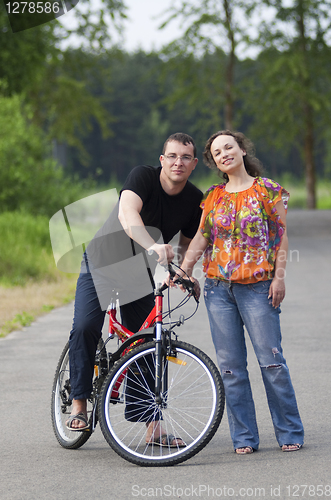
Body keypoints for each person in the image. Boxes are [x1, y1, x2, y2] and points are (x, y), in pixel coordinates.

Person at [66, 132, 202, 448]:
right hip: (102, 260)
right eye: (172, 156)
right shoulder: (142, 176)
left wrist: (183, 273)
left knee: (147, 339)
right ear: (162, 160)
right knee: (86, 326)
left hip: (140, 272)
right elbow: (129, 216)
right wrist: (154, 246)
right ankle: (79, 402)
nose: (177, 162)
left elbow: (187, 243)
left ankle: (153, 425)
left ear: (194, 164)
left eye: (185, 157)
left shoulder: (194, 200)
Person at [176, 129, 304, 454]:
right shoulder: (213, 196)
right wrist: (185, 268)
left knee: (272, 363)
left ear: (242, 150)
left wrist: (280, 277)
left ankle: (289, 431)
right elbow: (203, 236)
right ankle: (244, 437)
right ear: (215, 162)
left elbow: (282, 236)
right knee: (231, 368)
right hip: (218, 291)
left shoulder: (267, 190)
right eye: (217, 152)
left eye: (228, 147)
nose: (224, 154)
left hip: (259, 288)